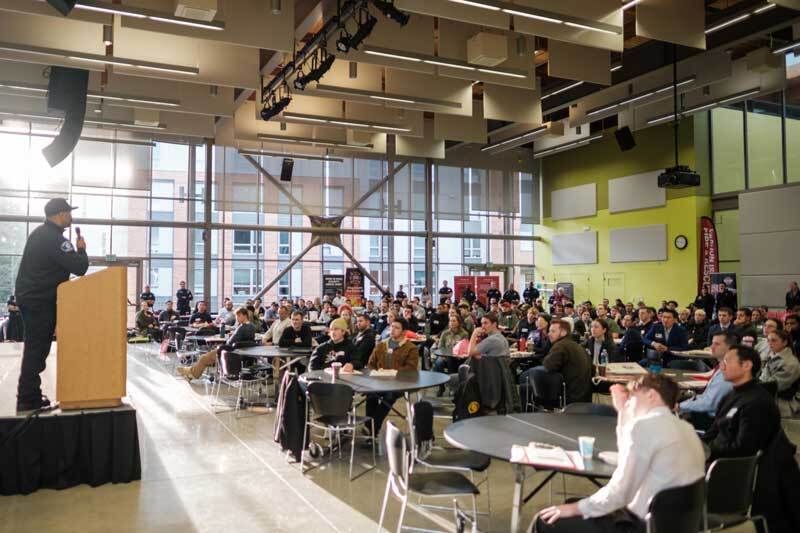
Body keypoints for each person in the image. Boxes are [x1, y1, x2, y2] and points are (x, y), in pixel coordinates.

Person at [534, 374, 705, 533]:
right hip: (675, 523)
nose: (629, 400)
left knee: (545, 520)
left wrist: (574, 509)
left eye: (633, 394)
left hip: (640, 524)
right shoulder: (686, 429)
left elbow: (620, 493)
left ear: (652, 395)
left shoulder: (645, 427)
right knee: (575, 505)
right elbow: (627, 458)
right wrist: (623, 412)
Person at [14, 198, 88, 412]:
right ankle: (27, 399)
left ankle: (30, 394)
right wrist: (81, 250)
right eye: (69, 213)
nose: (71, 217)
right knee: (37, 348)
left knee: (36, 347)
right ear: (61, 213)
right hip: (40, 301)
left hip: (34, 298)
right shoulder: (55, 239)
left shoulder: (41, 234)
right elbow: (80, 267)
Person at [704, 344, 781, 461]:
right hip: (714, 455)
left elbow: (744, 448)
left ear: (746, 365)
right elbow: (714, 430)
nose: (721, 366)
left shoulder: (757, 402)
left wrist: (707, 451)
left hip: (729, 467)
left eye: (727, 361)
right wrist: (698, 445)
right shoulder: (731, 395)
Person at [366, 318, 419, 435]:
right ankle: (372, 429)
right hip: (380, 381)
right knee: (370, 395)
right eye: (392, 327)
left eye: (396, 328)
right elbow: (370, 364)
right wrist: (376, 372)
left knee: (389, 396)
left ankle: (372, 426)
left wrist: (393, 373)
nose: (393, 330)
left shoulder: (411, 348)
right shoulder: (381, 345)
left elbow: (411, 369)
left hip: (400, 383)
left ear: (404, 332)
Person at [678, 331, 737, 430]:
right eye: (712, 343)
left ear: (730, 348)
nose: (711, 347)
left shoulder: (728, 371)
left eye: (717, 344)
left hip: (710, 420)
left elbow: (709, 403)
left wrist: (680, 406)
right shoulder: (723, 365)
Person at [177, 307, 254, 381]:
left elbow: (230, 342)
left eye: (239, 316)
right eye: (237, 316)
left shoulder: (242, 328)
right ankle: (190, 374)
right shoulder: (251, 326)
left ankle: (190, 371)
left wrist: (224, 343)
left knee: (203, 358)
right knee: (205, 357)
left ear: (245, 315)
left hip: (228, 353)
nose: (237, 318)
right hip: (240, 353)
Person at [539, 319, 592, 404]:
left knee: (528, 379)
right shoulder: (577, 346)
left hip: (568, 397)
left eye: (553, 331)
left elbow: (548, 366)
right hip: (584, 397)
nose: (549, 334)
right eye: (549, 331)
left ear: (563, 333)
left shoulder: (560, 346)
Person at [759, 329, 800, 417]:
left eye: (773, 340)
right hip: (768, 400)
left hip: (781, 407)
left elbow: (773, 385)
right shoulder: (772, 355)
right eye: (768, 340)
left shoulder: (790, 363)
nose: (770, 343)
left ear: (785, 342)